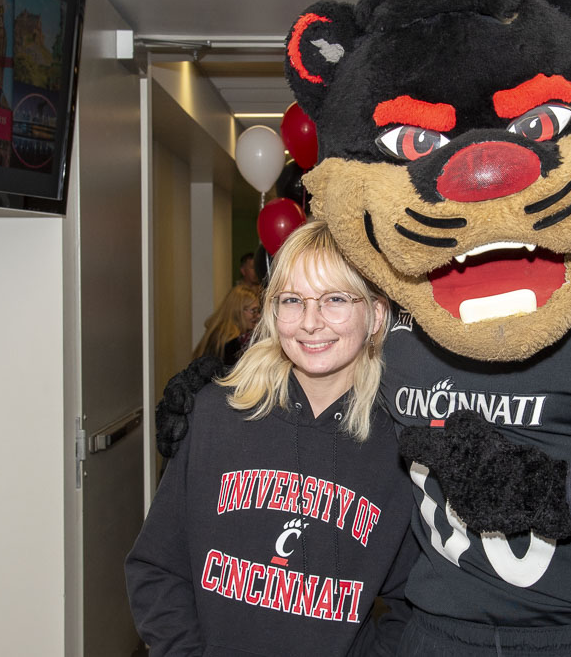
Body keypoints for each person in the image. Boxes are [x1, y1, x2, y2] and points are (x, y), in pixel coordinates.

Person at [126, 220, 418, 656]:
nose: (310, 323)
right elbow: (157, 567)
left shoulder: (400, 445)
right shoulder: (214, 414)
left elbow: (413, 606)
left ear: (376, 315)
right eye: (293, 301)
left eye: (335, 299)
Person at [192, 284, 261, 366]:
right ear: (237, 311)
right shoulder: (231, 342)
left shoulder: (220, 334)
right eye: (253, 311)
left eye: (258, 310)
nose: (258, 316)